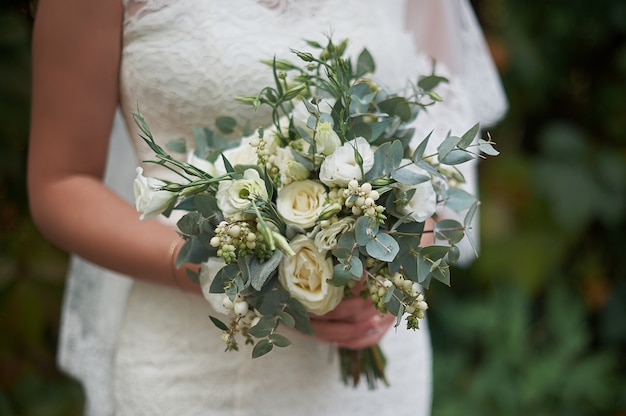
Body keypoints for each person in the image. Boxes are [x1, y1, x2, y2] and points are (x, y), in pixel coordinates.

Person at [28, 1, 506, 415]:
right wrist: (232, 272)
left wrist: (387, 265)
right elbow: (62, 183)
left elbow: (444, 149)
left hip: (373, 359)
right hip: (197, 367)